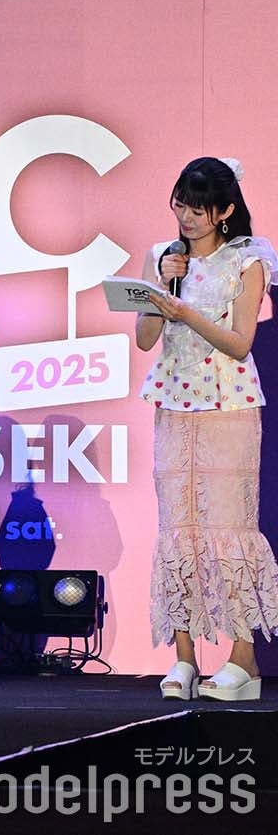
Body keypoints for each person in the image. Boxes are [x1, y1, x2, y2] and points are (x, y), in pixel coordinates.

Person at [136, 156, 278, 702]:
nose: (187, 217)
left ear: (224, 210)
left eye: (199, 208)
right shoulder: (163, 256)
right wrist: (160, 291)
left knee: (229, 526)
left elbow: (240, 342)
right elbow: (145, 338)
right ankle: (184, 658)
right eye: (181, 204)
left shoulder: (248, 258)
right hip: (174, 403)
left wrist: (186, 312)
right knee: (179, 526)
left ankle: (244, 659)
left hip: (229, 404)